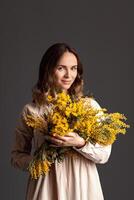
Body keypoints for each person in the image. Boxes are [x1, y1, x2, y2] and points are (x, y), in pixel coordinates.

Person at [11, 43, 112, 200]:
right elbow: (16, 156)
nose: (68, 75)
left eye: (73, 68)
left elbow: (104, 154)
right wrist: (38, 163)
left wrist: (80, 143)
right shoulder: (32, 111)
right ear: (48, 69)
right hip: (46, 188)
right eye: (61, 68)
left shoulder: (89, 106)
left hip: (83, 187)